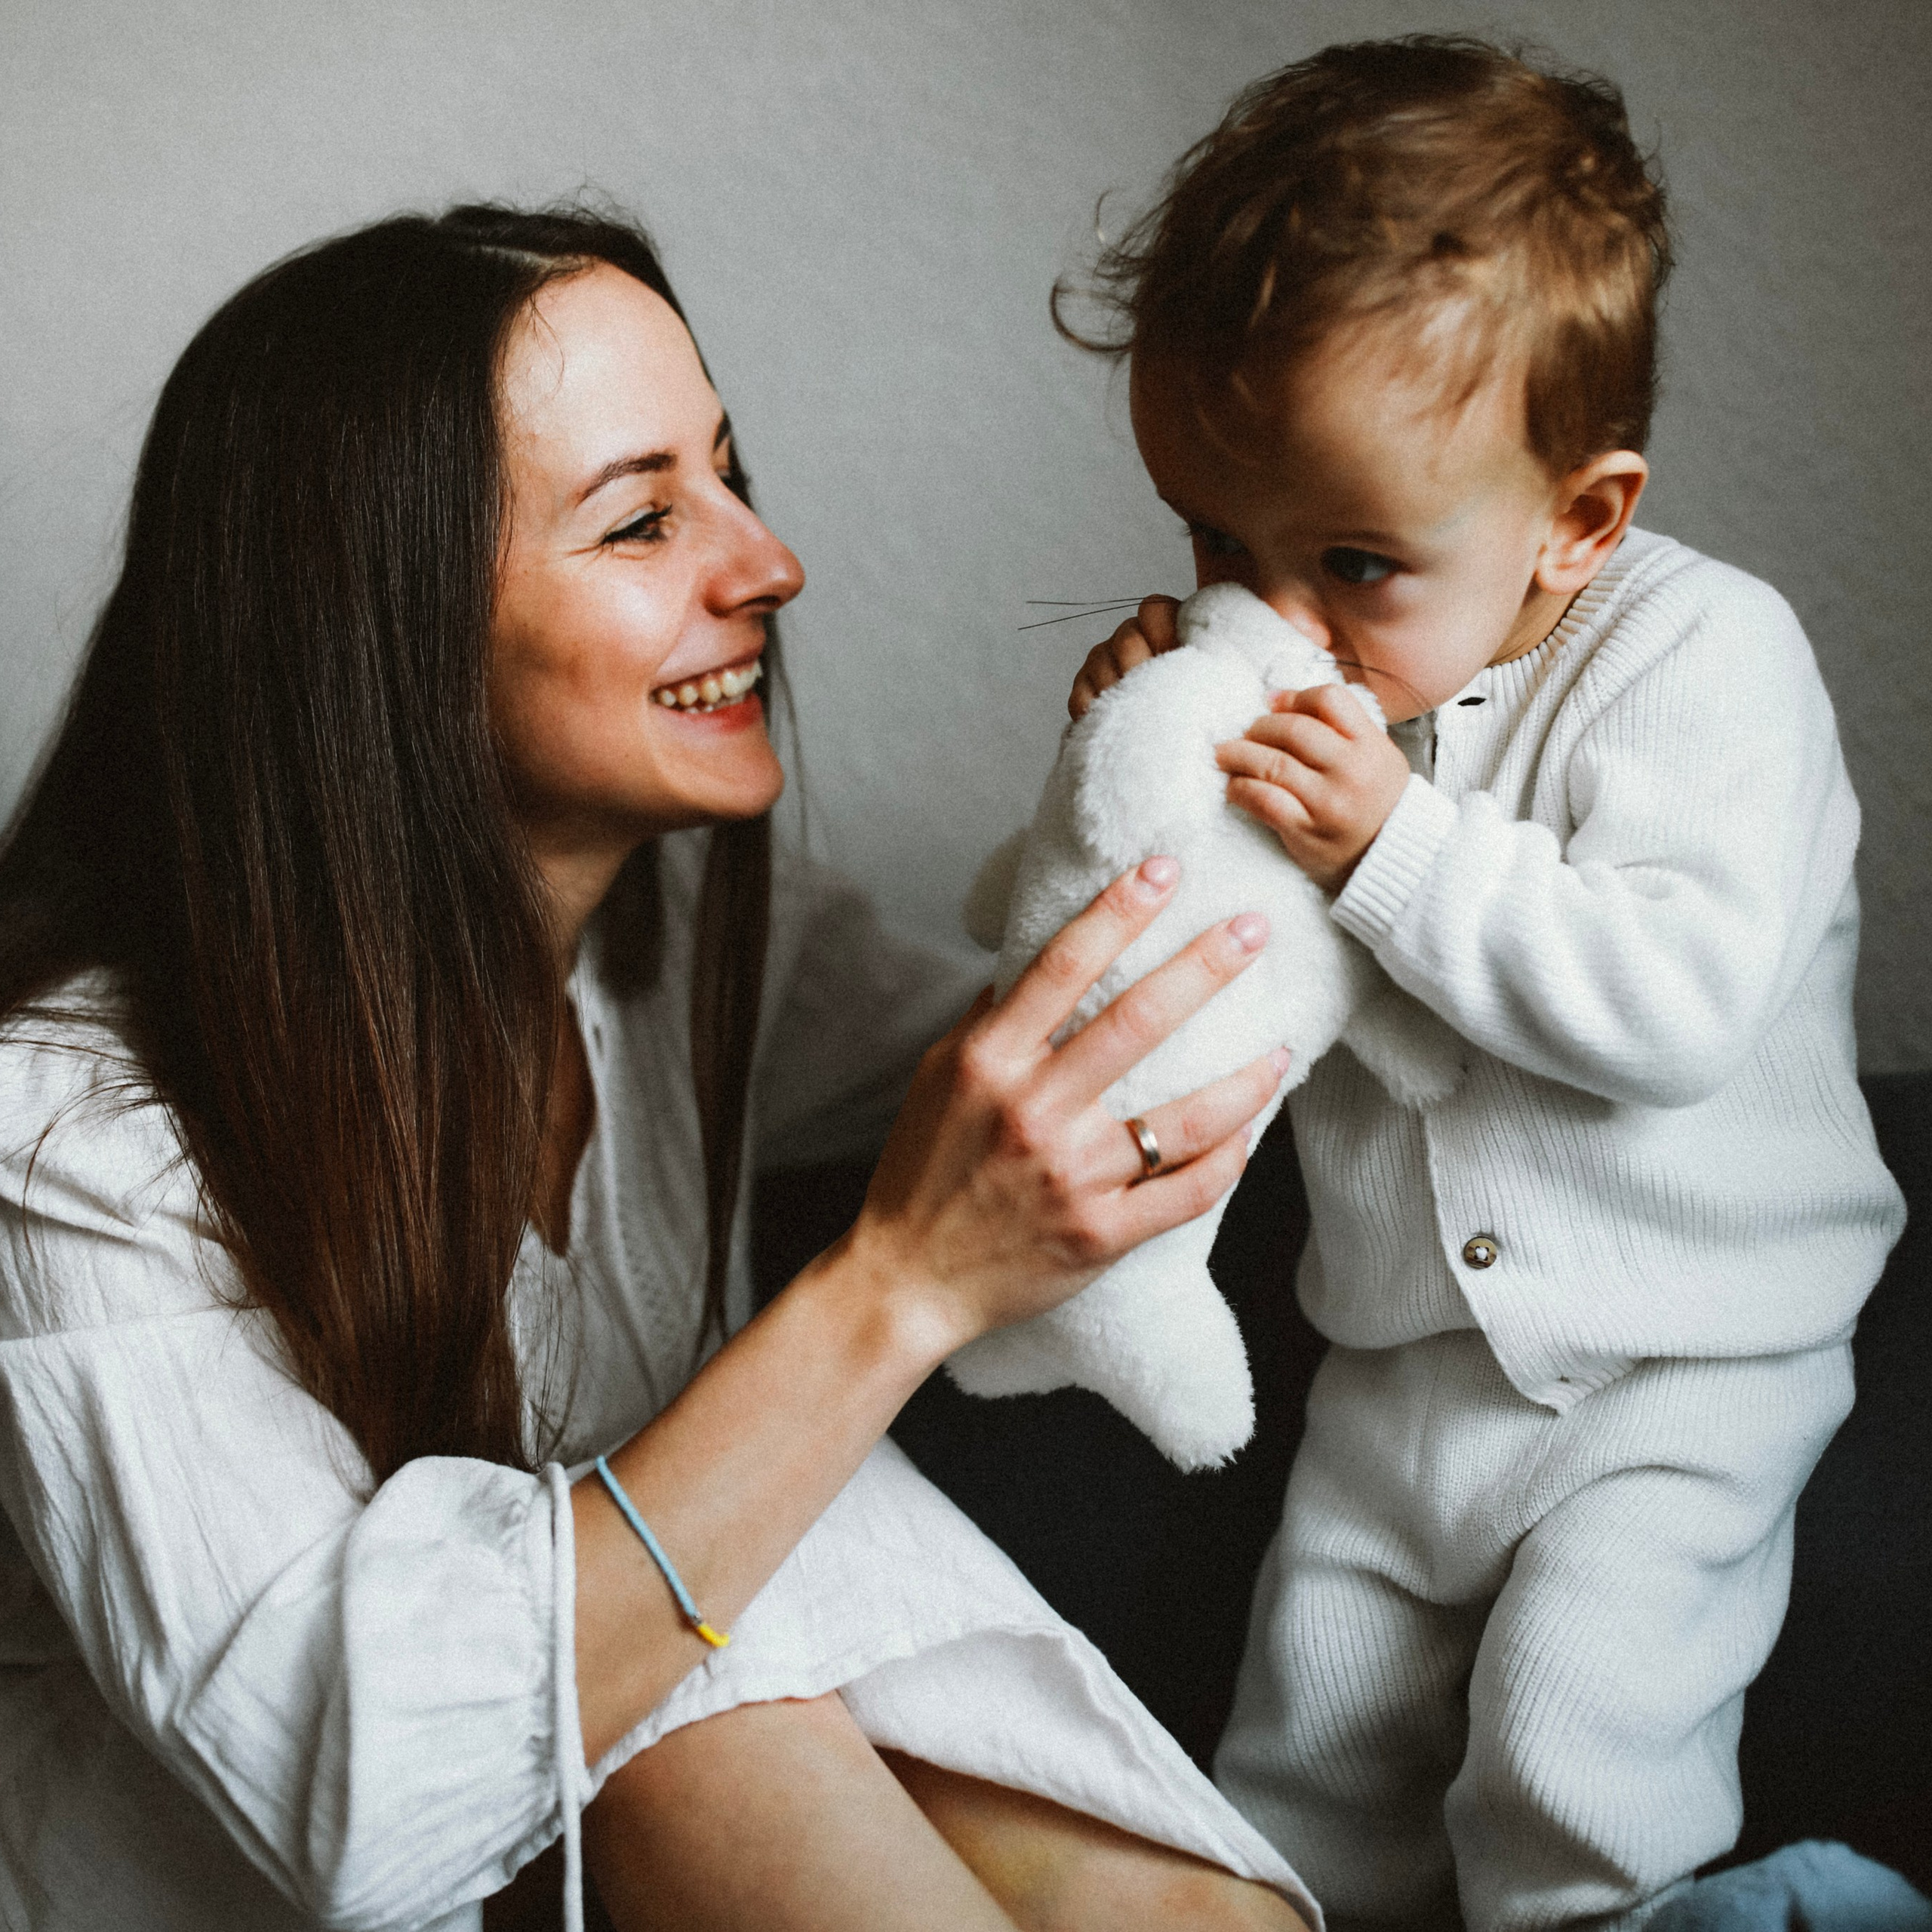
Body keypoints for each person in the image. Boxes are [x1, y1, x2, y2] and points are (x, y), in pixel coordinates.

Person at [0, 205, 1321, 1932]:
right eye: (641, 518)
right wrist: (896, 1289)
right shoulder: (71, 1134)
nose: (765, 560)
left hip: (665, 1806)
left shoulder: (686, 948)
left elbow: (1099, 1055)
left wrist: (1241, 751)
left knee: (724, 1594)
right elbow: (354, 1802)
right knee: (622, 1612)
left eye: (725, 471)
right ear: (380, 635)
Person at [1061, 35, 1906, 1932]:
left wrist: (1394, 850)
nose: (1271, 623)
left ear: (1574, 519)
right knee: (1297, 1751)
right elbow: (1209, 1012)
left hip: (1680, 1354)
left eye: (1351, 560)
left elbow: (1671, 1001)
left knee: (1571, 1735)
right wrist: (1139, 797)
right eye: (1216, 545)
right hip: (1391, 1365)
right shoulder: (1322, 693)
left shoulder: (1698, 654)